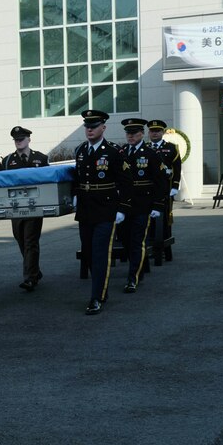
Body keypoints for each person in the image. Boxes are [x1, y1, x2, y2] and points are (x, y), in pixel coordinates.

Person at [71, 109, 131, 316]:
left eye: (94, 126)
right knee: (87, 253)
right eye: (87, 126)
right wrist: (75, 194)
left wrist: (122, 208)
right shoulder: (80, 150)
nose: (89, 130)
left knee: (99, 253)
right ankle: (101, 289)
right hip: (86, 209)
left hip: (106, 208)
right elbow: (77, 178)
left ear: (103, 128)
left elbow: (126, 181)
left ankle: (96, 297)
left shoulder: (114, 151)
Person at [117, 118, 167, 293]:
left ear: (142, 134)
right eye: (128, 133)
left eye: (134, 133)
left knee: (137, 240)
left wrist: (157, 205)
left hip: (143, 205)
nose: (130, 136)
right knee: (125, 239)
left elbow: (161, 181)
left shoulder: (151, 154)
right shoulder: (121, 152)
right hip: (124, 205)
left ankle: (133, 278)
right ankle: (140, 265)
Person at [0, 125, 50, 291]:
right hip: (16, 207)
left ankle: (30, 278)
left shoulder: (41, 159)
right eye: (16, 140)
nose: (19, 142)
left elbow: (47, 182)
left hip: (34, 207)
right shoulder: (7, 160)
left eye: (21, 139)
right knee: (20, 239)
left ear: (29, 139)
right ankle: (34, 270)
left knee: (30, 240)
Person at [147, 119, 181, 254]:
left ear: (163, 132)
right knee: (148, 217)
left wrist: (175, 186)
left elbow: (177, 168)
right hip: (148, 189)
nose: (154, 134)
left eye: (157, 131)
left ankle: (164, 248)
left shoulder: (171, 148)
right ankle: (150, 247)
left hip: (165, 189)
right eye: (152, 131)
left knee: (165, 217)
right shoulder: (144, 147)